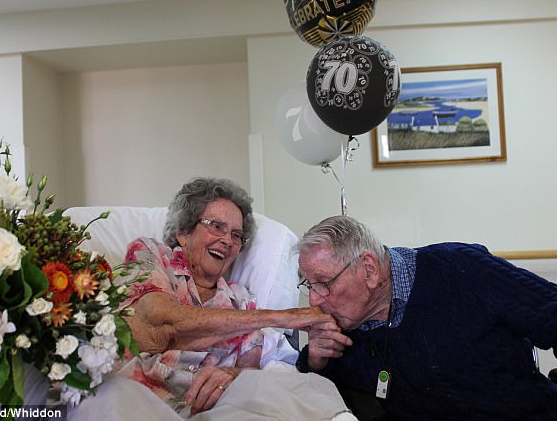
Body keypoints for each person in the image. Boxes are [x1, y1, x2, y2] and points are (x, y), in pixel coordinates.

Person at [82, 178, 356, 420]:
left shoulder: (240, 299)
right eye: (216, 227)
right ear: (183, 231)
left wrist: (232, 377)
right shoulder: (152, 256)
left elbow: (257, 375)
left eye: (236, 235)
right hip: (142, 397)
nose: (228, 240)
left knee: (313, 387)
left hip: (211, 409)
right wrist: (285, 316)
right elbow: (160, 323)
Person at [295, 215, 557, 421]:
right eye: (308, 285)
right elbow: (328, 399)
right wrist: (316, 363)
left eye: (323, 282)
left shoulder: (462, 270)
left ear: (368, 269)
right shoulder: (346, 327)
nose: (314, 299)